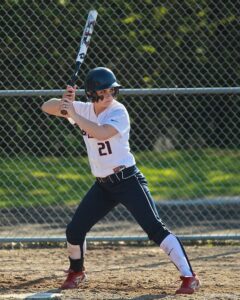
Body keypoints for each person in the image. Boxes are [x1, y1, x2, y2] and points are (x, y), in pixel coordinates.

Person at [41, 67, 200, 294]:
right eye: (103, 92)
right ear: (91, 94)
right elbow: (46, 107)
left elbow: (101, 132)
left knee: (155, 229)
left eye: (112, 91)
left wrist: (73, 113)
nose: (108, 96)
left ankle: (189, 277)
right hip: (103, 185)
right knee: (74, 231)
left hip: (128, 180)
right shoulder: (83, 109)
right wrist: (64, 102)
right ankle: (76, 272)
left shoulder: (118, 111)